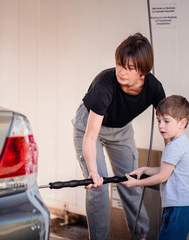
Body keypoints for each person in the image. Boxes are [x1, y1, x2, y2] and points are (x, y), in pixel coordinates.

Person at [72, 32, 166, 240]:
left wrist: (172, 159)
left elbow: (169, 123)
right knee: (98, 189)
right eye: (119, 64)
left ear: (143, 71)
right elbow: (90, 136)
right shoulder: (104, 84)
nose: (121, 72)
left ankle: (140, 235)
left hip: (121, 130)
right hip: (89, 127)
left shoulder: (153, 87)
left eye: (129, 68)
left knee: (130, 181)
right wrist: (94, 174)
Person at [121, 95, 189, 240]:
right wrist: (144, 169)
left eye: (166, 121)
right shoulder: (180, 142)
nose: (161, 125)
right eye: (159, 121)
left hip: (179, 207)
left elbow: (162, 176)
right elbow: (166, 170)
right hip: (182, 205)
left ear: (182, 123)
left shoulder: (175, 146)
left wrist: (137, 183)